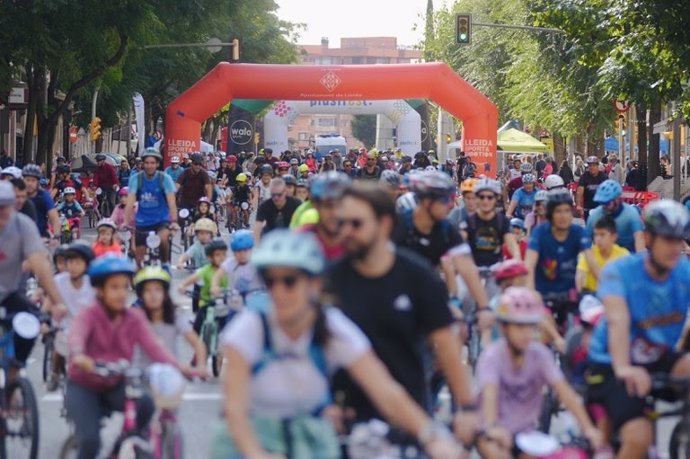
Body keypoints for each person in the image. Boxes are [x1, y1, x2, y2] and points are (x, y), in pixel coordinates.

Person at [211, 229, 464, 459]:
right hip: (249, 436)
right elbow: (234, 408)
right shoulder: (250, 327)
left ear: (315, 284)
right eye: (270, 282)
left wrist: (432, 436)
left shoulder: (331, 326)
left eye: (289, 281)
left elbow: (385, 389)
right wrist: (256, 454)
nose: (278, 292)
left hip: (310, 438)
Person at [326, 182, 478, 447]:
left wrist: (467, 409)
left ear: (384, 224)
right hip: (343, 422)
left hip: (407, 417)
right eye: (342, 223)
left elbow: (448, 349)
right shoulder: (328, 281)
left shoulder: (418, 278)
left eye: (356, 224)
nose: (346, 232)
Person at [586, 200, 690, 459]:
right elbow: (618, 321)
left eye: (680, 240)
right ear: (648, 238)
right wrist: (623, 368)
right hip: (611, 363)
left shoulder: (684, 272)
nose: (675, 248)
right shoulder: (620, 273)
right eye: (667, 239)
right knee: (640, 436)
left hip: (656, 357)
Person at [65, 255, 193, 459]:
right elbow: (76, 337)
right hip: (84, 385)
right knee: (90, 441)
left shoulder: (134, 317)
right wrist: (80, 356)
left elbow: (154, 347)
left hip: (115, 382)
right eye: (114, 287)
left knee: (146, 404)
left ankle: (122, 447)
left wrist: (181, 366)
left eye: (125, 287)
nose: (121, 293)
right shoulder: (88, 314)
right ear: (100, 290)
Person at [476, 287, 602, 459]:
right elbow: (489, 396)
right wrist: (492, 428)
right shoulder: (492, 357)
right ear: (504, 327)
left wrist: (589, 429)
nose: (526, 333)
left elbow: (565, 393)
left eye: (530, 326)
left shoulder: (540, 355)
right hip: (495, 433)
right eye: (519, 326)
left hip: (527, 435)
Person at [0, 181, 67, 378]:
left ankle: (15, 368)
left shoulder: (23, 225)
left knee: (32, 322)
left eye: (7, 206)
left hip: (9, 294)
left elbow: (41, 265)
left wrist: (58, 302)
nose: (4, 212)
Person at [525, 189, 597, 305]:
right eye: (558, 211)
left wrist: (607, 289)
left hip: (571, 296)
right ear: (550, 214)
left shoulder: (579, 232)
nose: (563, 216)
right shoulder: (539, 233)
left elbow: (592, 262)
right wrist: (531, 294)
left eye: (567, 211)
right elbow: (529, 266)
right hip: (543, 296)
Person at [132, 267, 207, 375]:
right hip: (138, 375)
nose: (153, 294)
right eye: (147, 290)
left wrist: (201, 366)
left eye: (158, 289)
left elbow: (197, 343)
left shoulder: (174, 317)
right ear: (141, 295)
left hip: (168, 375)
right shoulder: (134, 318)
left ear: (165, 293)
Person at [44, 242, 96, 391]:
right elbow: (47, 304)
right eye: (70, 262)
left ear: (87, 264)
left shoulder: (92, 284)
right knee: (60, 345)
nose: (72, 266)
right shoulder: (59, 281)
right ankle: (54, 372)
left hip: (86, 327)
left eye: (78, 262)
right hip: (64, 325)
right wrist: (43, 319)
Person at [124, 149, 179, 267]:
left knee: (164, 239)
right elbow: (130, 203)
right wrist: (126, 222)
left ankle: (165, 265)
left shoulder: (165, 179)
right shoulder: (136, 179)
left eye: (152, 163)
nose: (149, 166)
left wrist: (174, 221)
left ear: (158, 164)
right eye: (147, 163)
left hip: (161, 220)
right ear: (143, 164)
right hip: (142, 221)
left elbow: (171, 202)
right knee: (138, 256)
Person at [461, 178, 520, 270]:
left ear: (496, 199)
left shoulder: (502, 221)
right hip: (473, 269)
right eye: (481, 197)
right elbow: (458, 244)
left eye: (490, 197)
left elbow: (512, 245)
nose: (485, 201)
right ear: (476, 198)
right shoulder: (468, 221)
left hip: (497, 269)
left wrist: (517, 261)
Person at [298, 172, 349, 261]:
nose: (335, 213)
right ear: (315, 206)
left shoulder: (356, 240)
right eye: (328, 206)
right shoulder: (301, 240)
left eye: (340, 205)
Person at [586, 179, 645, 253]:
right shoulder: (595, 216)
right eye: (601, 203)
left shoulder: (631, 214)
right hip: (603, 255)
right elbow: (586, 241)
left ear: (618, 199)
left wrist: (639, 258)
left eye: (607, 203)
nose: (604, 206)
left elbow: (639, 238)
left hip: (628, 255)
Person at [576, 216, 629, 294]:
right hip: (591, 296)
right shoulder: (589, 253)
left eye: (602, 235)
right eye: (596, 235)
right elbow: (580, 276)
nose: (598, 239)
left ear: (614, 237)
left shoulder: (623, 255)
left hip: (614, 296)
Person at [210, 230, 263, 303]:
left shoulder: (257, 262)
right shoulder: (230, 263)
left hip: (255, 300)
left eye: (245, 250)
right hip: (235, 301)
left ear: (251, 250)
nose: (242, 254)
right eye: (238, 251)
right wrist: (214, 286)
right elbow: (217, 275)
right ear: (234, 252)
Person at [253, 178, 301, 242]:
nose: (276, 198)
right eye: (273, 195)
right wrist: (257, 247)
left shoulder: (296, 203)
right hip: (270, 235)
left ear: (285, 192)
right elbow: (257, 227)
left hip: (291, 235)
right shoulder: (265, 205)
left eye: (279, 195)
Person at [23, 164, 61, 240]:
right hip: (20, 237)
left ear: (38, 182)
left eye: (33, 180)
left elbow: (54, 218)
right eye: (27, 180)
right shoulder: (17, 195)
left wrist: (56, 236)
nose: (30, 183)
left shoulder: (43, 196)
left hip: (40, 236)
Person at [576, 156, 607, 221]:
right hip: (588, 207)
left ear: (597, 166)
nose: (592, 167)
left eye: (594, 165)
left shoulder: (603, 176)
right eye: (590, 166)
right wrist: (578, 205)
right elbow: (580, 191)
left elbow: (608, 191)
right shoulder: (584, 176)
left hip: (601, 207)